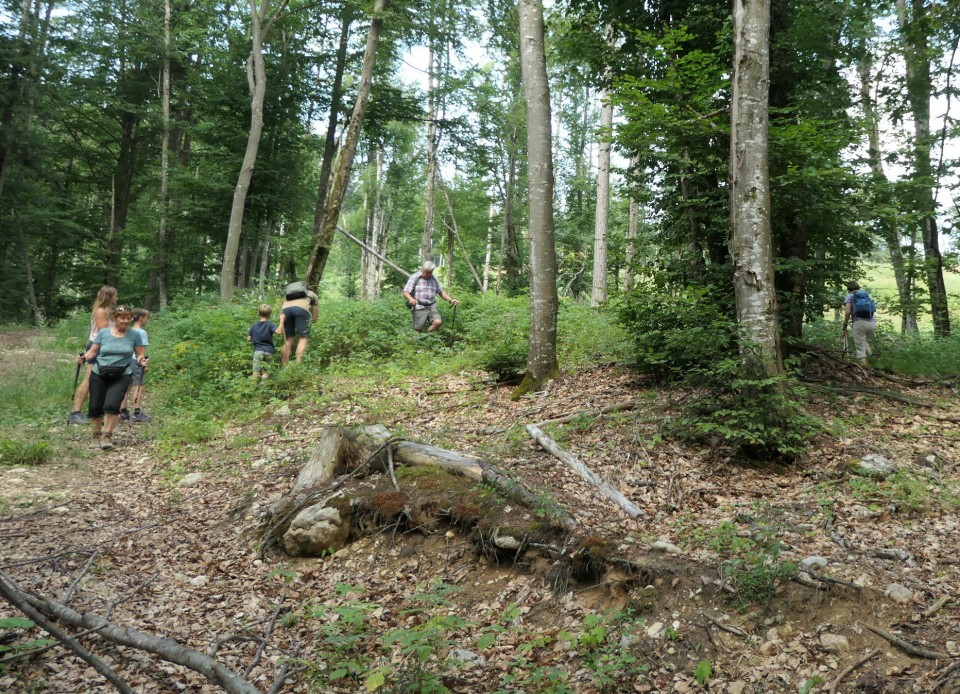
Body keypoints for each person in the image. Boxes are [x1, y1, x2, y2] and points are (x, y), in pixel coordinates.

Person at [76, 305, 148, 450]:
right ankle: (96, 436)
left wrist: (142, 361)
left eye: (128, 318)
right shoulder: (104, 333)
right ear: (115, 318)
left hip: (122, 374)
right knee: (95, 406)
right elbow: (92, 352)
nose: (125, 321)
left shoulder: (135, 335)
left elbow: (140, 353)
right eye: (122, 318)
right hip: (99, 372)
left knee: (112, 405)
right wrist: (83, 358)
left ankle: (107, 436)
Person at [69, 286, 117, 425]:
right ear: (108, 296)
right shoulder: (101, 311)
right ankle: (75, 412)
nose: (116, 298)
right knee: (89, 379)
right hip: (97, 347)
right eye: (115, 295)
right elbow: (104, 331)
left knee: (101, 380)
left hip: (107, 347)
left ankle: (98, 412)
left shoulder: (109, 311)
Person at [402, 261, 459, 333]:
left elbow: (441, 292)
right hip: (419, 306)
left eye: (430, 272)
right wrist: (411, 299)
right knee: (417, 330)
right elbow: (406, 291)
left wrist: (451, 300)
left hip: (431, 306)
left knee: (438, 322)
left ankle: (427, 336)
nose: (428, 274)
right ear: (422, 269)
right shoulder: (415, 277)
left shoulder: (434, 278)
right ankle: (420, 341)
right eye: (426, 272)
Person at [122, 308, 152, 422]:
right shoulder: (141, 332)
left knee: (127, 386)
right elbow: (141, 349)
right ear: (141, 318)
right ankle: (137, 412)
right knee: (139, 386)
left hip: (127, 360)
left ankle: (123, 410)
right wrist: (145, 364)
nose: (147, 321)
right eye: (146, 318)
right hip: (137, 361)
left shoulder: (128, 331)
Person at [280, 282, 318, 365]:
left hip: (285, 311)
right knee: (303, 338)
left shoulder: (288, 295)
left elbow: (282, 306)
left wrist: (281, 320)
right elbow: (315, 307)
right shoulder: (311, 293)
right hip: (301, 311)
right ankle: (297, 365)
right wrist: (314, 320)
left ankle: (285, 367)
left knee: (288, 339)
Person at [843, 281, 876, 367]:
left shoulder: (849, 296)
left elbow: (847, 312)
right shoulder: (865, 295)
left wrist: (845, 324)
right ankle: (872, 356)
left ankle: (865, 371)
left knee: (860, 350)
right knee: (863, 342)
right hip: (872, 323)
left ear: (848, 289)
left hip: (859, 323)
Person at [247, 303, 279, 380]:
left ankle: (253, 388)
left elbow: (248, 339)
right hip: (269, 351)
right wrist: (282, 321)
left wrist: (255, 339)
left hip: (258, 351)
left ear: (258, 312)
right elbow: (279, 332)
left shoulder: (254, 325)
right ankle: (263, 386)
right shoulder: (270, 324)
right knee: (266, 370)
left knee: (256, 371)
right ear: (270, 314)